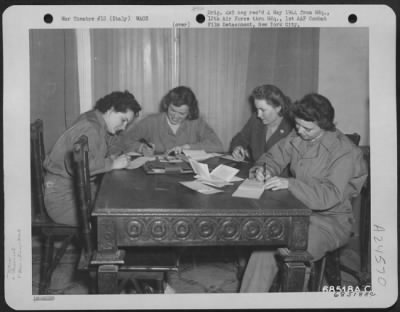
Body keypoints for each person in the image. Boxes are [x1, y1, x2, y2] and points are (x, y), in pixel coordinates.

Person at [240, 93, 368, 292]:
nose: (299, 131)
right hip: (296, 212)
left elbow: (330, 195)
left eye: (307, 128)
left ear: (325, 125)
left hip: (330, 221)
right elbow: (273, 157)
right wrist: (263, 169)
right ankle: (248, 304)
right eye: (297, 125)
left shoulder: (345, 152)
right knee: (263, 249)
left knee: (295, 254)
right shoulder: (298, 135)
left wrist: (290, 184)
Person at [43, 91, 142, 226]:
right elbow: (76, 165)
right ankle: (110, 246)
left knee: (118, 201)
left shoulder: (95, 120)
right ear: (111, 109)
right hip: (63, 200)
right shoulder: (90, 128)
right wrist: (112, 164)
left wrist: (133, 149)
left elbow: (112, 143)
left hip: (77, 191)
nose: (124, 127)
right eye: (123, 120)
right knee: (116, 217)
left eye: (127, 123)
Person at [120, 86, 223, 155]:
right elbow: (124, 141)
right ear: (167, 105)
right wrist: (141, 148)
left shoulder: (197, 123)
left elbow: (217, 146)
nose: (175, 116)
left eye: (182, 114)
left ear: (190, 112)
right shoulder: (151, 121)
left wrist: (187, 148)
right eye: (172, 110)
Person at [230, 84, 293, 163]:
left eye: (263, 110)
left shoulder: (292, 127)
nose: (259, 115)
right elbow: (241, 137)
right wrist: (238, 147)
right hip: (256, 171)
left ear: (278, 108)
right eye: (257, 109)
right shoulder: (255, 119)